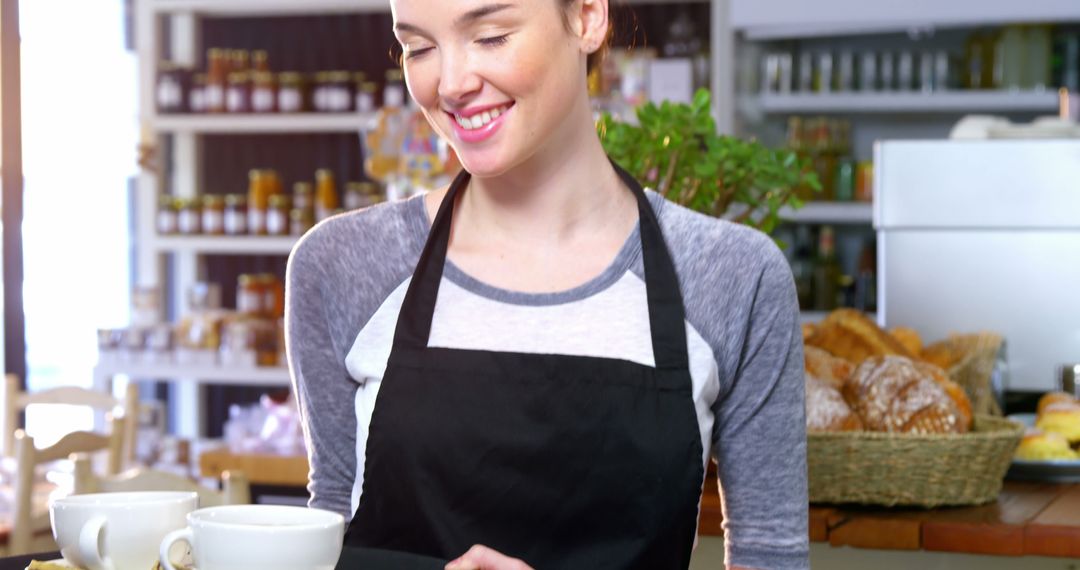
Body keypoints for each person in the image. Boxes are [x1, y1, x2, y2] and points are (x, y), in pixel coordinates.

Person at [285, 0, 808, 568]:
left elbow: (770, 558)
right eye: (419, 48)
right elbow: (326, 549)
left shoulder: (734, 277)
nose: (452, 84)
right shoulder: (341, 266)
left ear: (587, 16)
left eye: (490, 36)